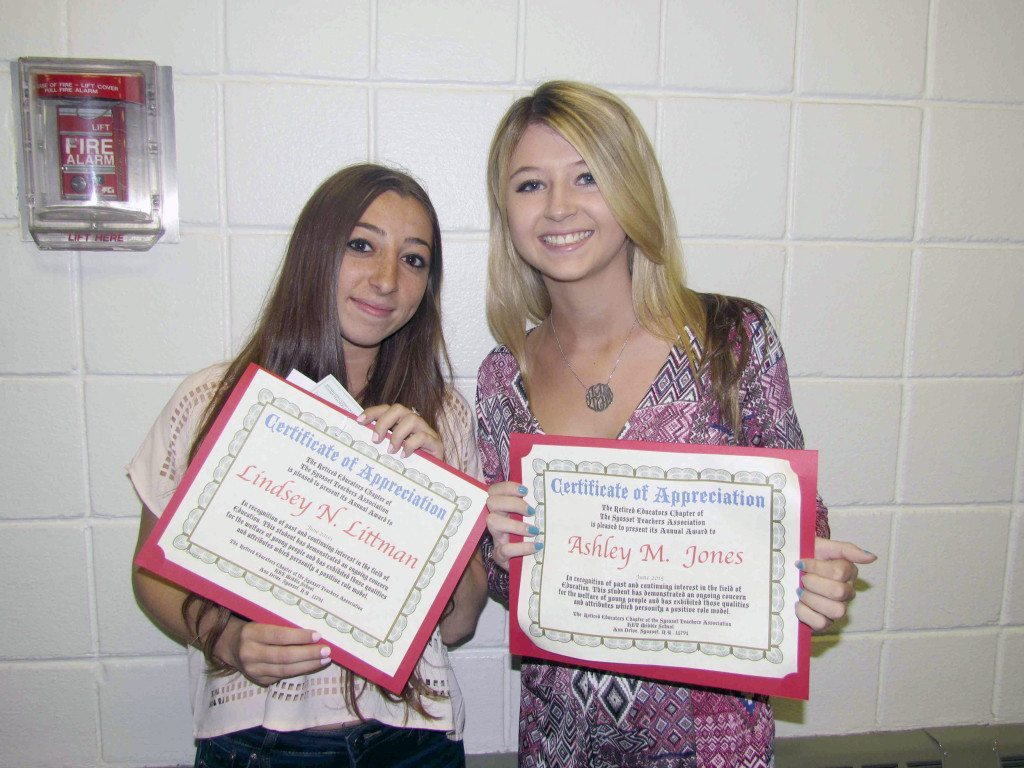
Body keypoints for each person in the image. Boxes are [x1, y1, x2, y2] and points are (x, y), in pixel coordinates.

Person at [476, 81, 877, 767]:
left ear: (632, 190)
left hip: (711, 746)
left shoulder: (732, 339)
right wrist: (500, 549)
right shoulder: (500, 378)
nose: (559, 206)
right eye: (530, 184)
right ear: (506, 211)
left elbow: (800, 530)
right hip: (562, 744)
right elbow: (515, 591)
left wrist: (816, 578)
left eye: (588, 176)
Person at [130, 164, 487, 768]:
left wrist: (437, 496)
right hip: (256, 743)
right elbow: (153, 571)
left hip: (413, 744)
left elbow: (458, 626)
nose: (386, 279)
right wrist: (228, 638)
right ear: (315, 252)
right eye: (361, 245)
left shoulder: (443, 417)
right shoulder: (212, 400)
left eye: (414, 259)